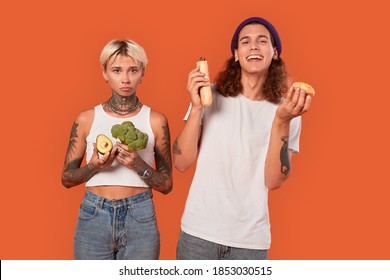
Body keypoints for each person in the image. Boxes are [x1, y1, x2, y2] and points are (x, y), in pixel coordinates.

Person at [173, 17, 313, 260]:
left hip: (250, 242)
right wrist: (196, 108)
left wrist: (281, 121)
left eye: (262, 41)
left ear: (275, 52)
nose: (254, 47)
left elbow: (274, 181)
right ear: (236, 54)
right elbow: (181, 162)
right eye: (245, 42)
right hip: (198, 235)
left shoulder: (287, 111)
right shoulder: (210, 96)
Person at [61, 39, 173, 260]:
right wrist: (93, 166)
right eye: (116, 70)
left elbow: (167, 185)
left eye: (133, 70)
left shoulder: (156, 121)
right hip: (94, 215)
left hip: (140, 216)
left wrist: (139, 165)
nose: (125, 78)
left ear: (142, 73)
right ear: (105, 73)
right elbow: (66, 179)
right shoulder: (86, 119)